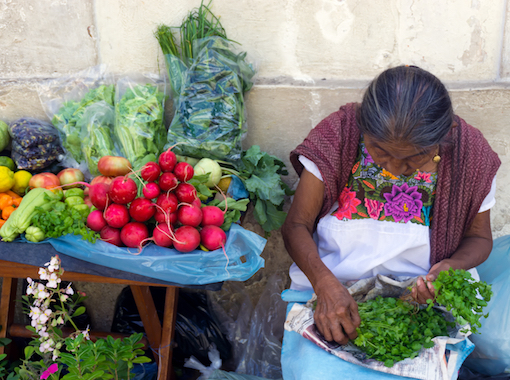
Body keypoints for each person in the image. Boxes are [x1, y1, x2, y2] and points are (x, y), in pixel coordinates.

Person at [280, 65, 501, 378]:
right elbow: (295, 226)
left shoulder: (471, 156)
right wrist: (325, 285)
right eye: (380, 151)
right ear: (364, 128)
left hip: (422, 301)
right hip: (330, 289)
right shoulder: (339, 135)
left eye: (414, 157)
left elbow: (479, 238)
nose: (395, 167)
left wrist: (450, 266)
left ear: (443, 138)